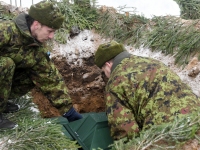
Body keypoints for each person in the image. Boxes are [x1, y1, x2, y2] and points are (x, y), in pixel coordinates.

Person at [94, 40, 200, 140]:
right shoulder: (153, 62)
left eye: (103, 70)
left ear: (108, 64)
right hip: (196, 118)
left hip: (166, 132)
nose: (106, 75)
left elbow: (125, 132)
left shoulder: (115, 82)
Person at [0, 1, 82, 129]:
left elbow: (49, 78)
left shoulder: (36, 47)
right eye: (50, 31)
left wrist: (68, 111)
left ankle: (2, 103)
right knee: (6, 64)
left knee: (32, 74)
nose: (51, 36)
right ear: (37, 24)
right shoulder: (6, 32)